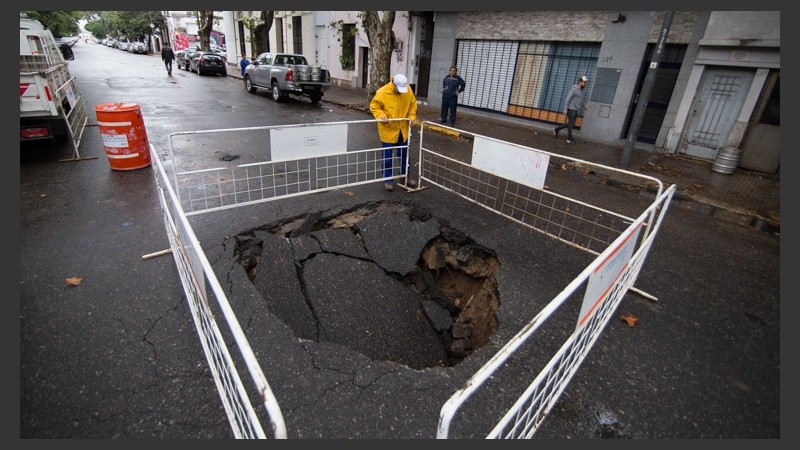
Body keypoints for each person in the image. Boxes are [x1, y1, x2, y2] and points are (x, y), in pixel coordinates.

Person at [369, 73, 418, 191]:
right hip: (388, 129)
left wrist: (412, 117)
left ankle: (405, 176)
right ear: (393, 84)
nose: (401, 92)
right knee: (387, 157)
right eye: (399, 89)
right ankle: (388, 180)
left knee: (404, 155)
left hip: (403, 129)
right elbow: (374, 106)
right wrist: (381, 115)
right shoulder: (382, 92)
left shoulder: (408, 90)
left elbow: (412, 105)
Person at [554, 75, 590, 144]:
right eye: (584, 82)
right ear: (580, 82)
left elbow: (580, 100)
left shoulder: (581, 90)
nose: (585, 84)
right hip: (571, 108)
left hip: (575, 109)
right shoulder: (574, 89)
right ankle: (569, 139)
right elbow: (568, 98)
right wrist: (565, 109)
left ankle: (557, 129)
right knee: (571, 124)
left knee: (571, 123)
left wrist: (584, 106)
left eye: (585, 82)